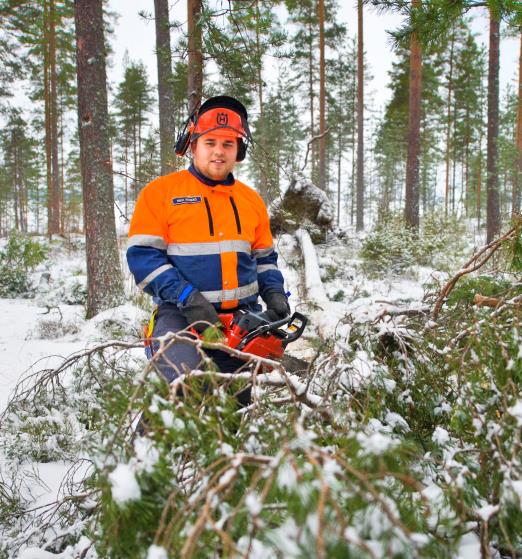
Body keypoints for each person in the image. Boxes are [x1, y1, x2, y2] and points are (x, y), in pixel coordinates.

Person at [126, 95, 289, 386]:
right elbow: (143, 258)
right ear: (193, 146)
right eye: (210, 143)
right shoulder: (161, 193)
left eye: (228, 144)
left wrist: (274, 294)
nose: (219, 152)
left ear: (239, 149)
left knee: (235, 406)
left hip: (243, 321)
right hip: (181, 317)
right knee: (184, 390)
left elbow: (264, 258)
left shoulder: (250, 200)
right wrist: (187, 296)